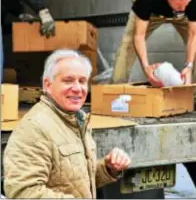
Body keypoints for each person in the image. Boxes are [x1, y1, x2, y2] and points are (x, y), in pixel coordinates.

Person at [3, 49, 131, 198]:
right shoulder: (34, 129)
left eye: (82, 81)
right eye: (68, 80)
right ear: (48, 85)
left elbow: (76, 181)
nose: (77, 88)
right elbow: (23, 192)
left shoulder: (77, 120)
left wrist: (108, 169)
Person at [111, 0, 196, 112]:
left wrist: (189, 65)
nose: (183, 9)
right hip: (153, 12)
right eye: (179, 5)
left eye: (186, 4)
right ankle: (116, 92)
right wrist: (146, 68)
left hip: (181, 17)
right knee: (127, 43)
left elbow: (194, 34)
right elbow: (139, 36)